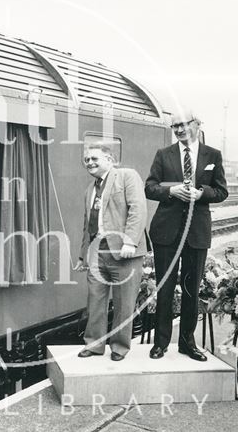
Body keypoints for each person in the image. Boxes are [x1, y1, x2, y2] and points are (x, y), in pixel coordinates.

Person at [145, 113, 228, 361]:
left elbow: (222, 191)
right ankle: (160, 343)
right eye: (175, 126)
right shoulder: (163, 154)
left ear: (196, 125)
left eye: (184, 125)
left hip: (196, 233)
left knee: (192, 290)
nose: (179, 129)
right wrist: (171, 191)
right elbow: (150, 187)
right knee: (165, 289)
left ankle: (187, 344)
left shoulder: (212, 155)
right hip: (166, 232)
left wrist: (200, 194)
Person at [75, 143, 148, 361]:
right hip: (98, 253)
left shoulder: (126, 176)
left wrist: (131, 242)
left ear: (110, 159)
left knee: (124, 303)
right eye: (86, 160)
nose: (89, 163)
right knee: (95, 301)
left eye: (94, 158)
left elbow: (138, 208)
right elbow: (87, 225)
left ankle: (119, 348)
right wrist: (82, 255)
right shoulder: (90, 189)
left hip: (124, 253)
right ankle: (94, 345)